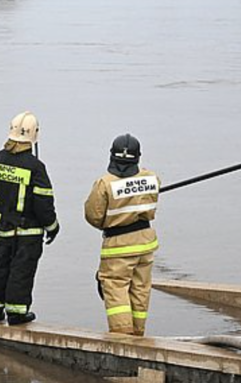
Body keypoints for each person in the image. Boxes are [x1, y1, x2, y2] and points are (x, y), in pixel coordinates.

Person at [0, 111, 60, 325]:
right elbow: (44, 204)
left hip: (2, 227)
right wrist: (53, 227)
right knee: (21, 270)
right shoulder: (35, 167)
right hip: (29, 232)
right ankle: (17, 313)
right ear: (35, 136)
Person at [84, 133, 160, 336]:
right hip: (145, 242)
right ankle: (138, 334)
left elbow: (93, 215)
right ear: (138, 156)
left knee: (116, 289)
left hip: (118, 244)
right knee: (140, 289)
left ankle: (123, 340)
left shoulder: (104, 183)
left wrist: (110, 223)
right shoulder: (151, 178)